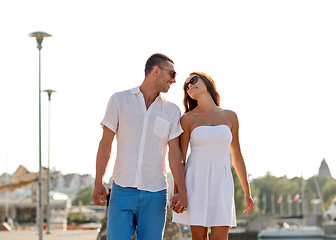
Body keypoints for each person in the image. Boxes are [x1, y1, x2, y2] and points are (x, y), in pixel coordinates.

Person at [92, 53, 188, 240]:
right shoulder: (119, 100)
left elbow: (175, 153)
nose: (174, 80)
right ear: (156, 71)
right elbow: (105, 144)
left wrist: (182, 192)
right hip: (121, 189)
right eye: (172, 74)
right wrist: (98, 181)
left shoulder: (172, 111)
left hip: (156, 193)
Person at [171, 72, 254, 240]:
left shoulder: (230, 116)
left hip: (222, 180)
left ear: (207, 82)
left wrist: (247, 191)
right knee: (199, 237)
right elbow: (180, 158)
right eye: (186, 86)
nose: (189, 85)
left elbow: (237, 156)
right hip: (195, 180)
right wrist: (179, 192)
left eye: (193, 80)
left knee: (220, 237)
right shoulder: (187, 118)